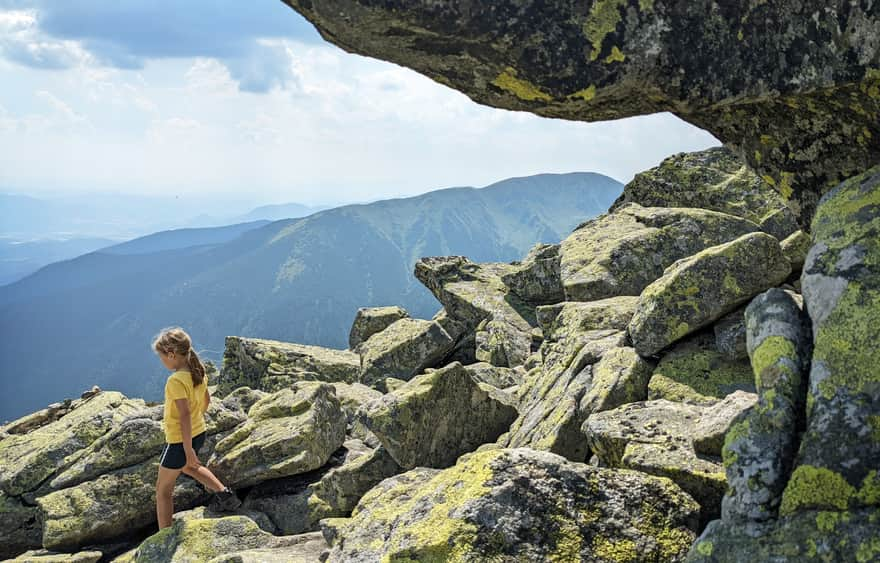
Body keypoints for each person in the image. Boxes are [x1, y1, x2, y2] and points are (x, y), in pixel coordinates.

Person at [152, 326, 241, 529]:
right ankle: (224, 494)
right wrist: (196, 422)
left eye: (162, 357)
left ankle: (163, 535)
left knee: (162, 490)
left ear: (172, 355)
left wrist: (187, 448)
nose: (162, 361)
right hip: (198, 432)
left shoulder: (175, 381)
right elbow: (206, 400)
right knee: (189, 466)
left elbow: (183, 414)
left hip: (178, 441)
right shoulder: (197, 372)